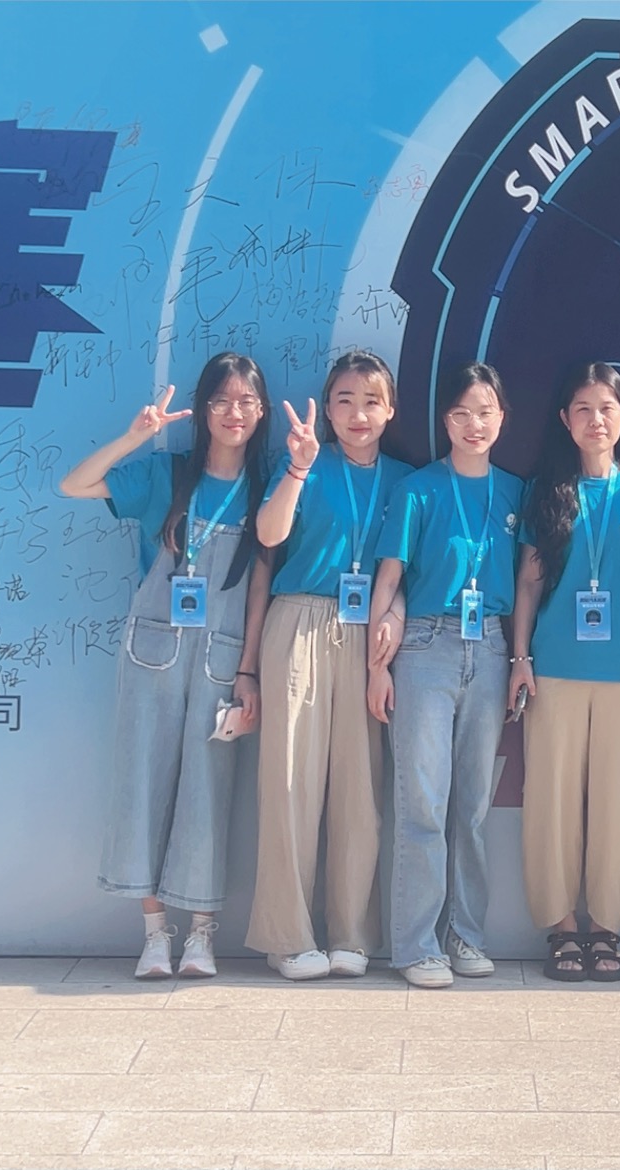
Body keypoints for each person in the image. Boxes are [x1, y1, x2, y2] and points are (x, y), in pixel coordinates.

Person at [59, 353, 273, 979]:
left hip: (223, 656)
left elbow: (260, 588)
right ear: (202, 411)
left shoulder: (266, 489)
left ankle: (202, 934)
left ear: (261, 411)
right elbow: (75, 485)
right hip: (152, 651)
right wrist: (135, 437)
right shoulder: (166, 474)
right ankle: (155, 934)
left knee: (210, 788)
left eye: (246, 401)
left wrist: (249, 670)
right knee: (143, 782)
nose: (234, 413)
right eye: (221, 401)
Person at [509, 362, 620, 982]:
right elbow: (529, 583)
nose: (596, 420)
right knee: (551, 803)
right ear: (565, 419)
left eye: (607, 408)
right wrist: (521, 658)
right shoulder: (546, 488)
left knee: (617, 806)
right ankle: (561, 928)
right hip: (555, 670)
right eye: (582, 408)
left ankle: (606, 928)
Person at [245, 351, 411, 980]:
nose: (358, 414)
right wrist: (297, 466)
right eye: (344, 400)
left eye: (371, 401)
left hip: (369, 633)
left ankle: (351, 933)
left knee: (360, 789)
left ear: (391, 410)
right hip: (300, 620)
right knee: (291, 781)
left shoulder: (406, 481)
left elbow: (411, 567)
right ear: (328, 409)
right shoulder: (304, 464)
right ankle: (287, 936)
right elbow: (268, 534)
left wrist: (393, 617)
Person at [366, 363, 522, 989]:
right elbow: (388, 579)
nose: (473, 425)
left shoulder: (516, 493)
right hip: (425, 647)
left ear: (502, 418)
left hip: (491, 647)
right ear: (444, 421)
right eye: (461, 414)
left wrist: (520, 659)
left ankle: (466, 936)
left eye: (484, 413)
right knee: (423, 805)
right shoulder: (418, 489)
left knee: (473, 808)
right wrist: (377, 668)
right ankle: (416, 946)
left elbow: (530, 582)